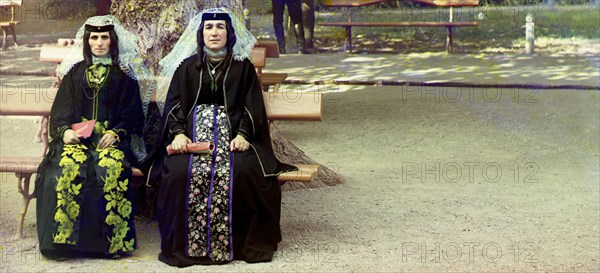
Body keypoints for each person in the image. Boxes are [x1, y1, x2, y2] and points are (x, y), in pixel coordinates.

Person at [146, 7, 297, 267]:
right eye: (209, 27)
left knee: (245, 171)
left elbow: (253, 106)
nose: (214, 32)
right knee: (179, 173)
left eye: (220, 27)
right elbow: (175, 104)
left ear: (230, 33)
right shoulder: (187, 68)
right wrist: (179, 133)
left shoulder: (243, 68)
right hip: (192, 140)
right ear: (200, 34)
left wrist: (244, 135)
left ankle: (240, 245)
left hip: (233, 139)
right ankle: (185, 247)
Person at [35, 15, 154, 259]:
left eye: (104, 37)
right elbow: (61, 110)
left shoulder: (124, 75)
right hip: (78, 141)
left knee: (111, 167)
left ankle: (111, 245)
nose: (99, 43)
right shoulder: (75, 73)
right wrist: (65, 131)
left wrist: (115, 132)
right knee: (68, 166)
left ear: (113, 41)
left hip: (109, 141)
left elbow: (132, 113)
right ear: (87, 41)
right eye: (94, 38)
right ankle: (63, 245)